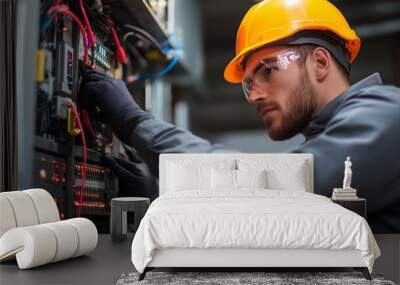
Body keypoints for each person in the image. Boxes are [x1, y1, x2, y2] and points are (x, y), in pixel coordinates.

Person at [80, 0, 400, 233]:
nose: (255, 95)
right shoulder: (335, 135)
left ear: (319, 63)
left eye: (268, 70)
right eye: (248, 84)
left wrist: (135, 121)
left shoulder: (387, 115)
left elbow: (267, 188)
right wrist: (158, 193)